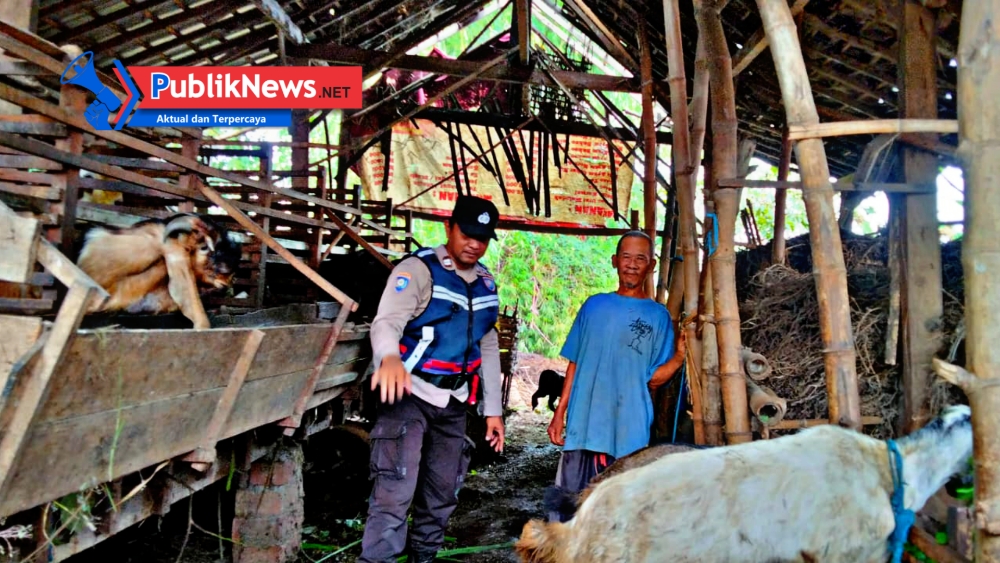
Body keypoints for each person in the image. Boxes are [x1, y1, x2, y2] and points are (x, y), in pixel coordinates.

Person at [358, 194, 506, 563]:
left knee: (442, 493)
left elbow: (487, 347)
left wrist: (493, 412)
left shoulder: (486, 284)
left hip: (453, 402)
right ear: (449, 228)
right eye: (467, 233)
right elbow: (387, 322)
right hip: (409, 393)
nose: (474, 244)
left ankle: (422, 558)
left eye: (483, 237)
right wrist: (389, 357)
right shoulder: (418, 270)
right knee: (394, 493)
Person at [545, 230, 687, 522]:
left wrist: (679, 358)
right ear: (614, 261)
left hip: (628, 432)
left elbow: (655, 379)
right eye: (626, 257)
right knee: (567, 514)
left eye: (640, 258)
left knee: (619, 517)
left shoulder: (658, 316)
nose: (632, 264)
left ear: (652, 265)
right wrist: (559, 413)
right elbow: (575, 363)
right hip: (583, 426)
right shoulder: (593, 306)